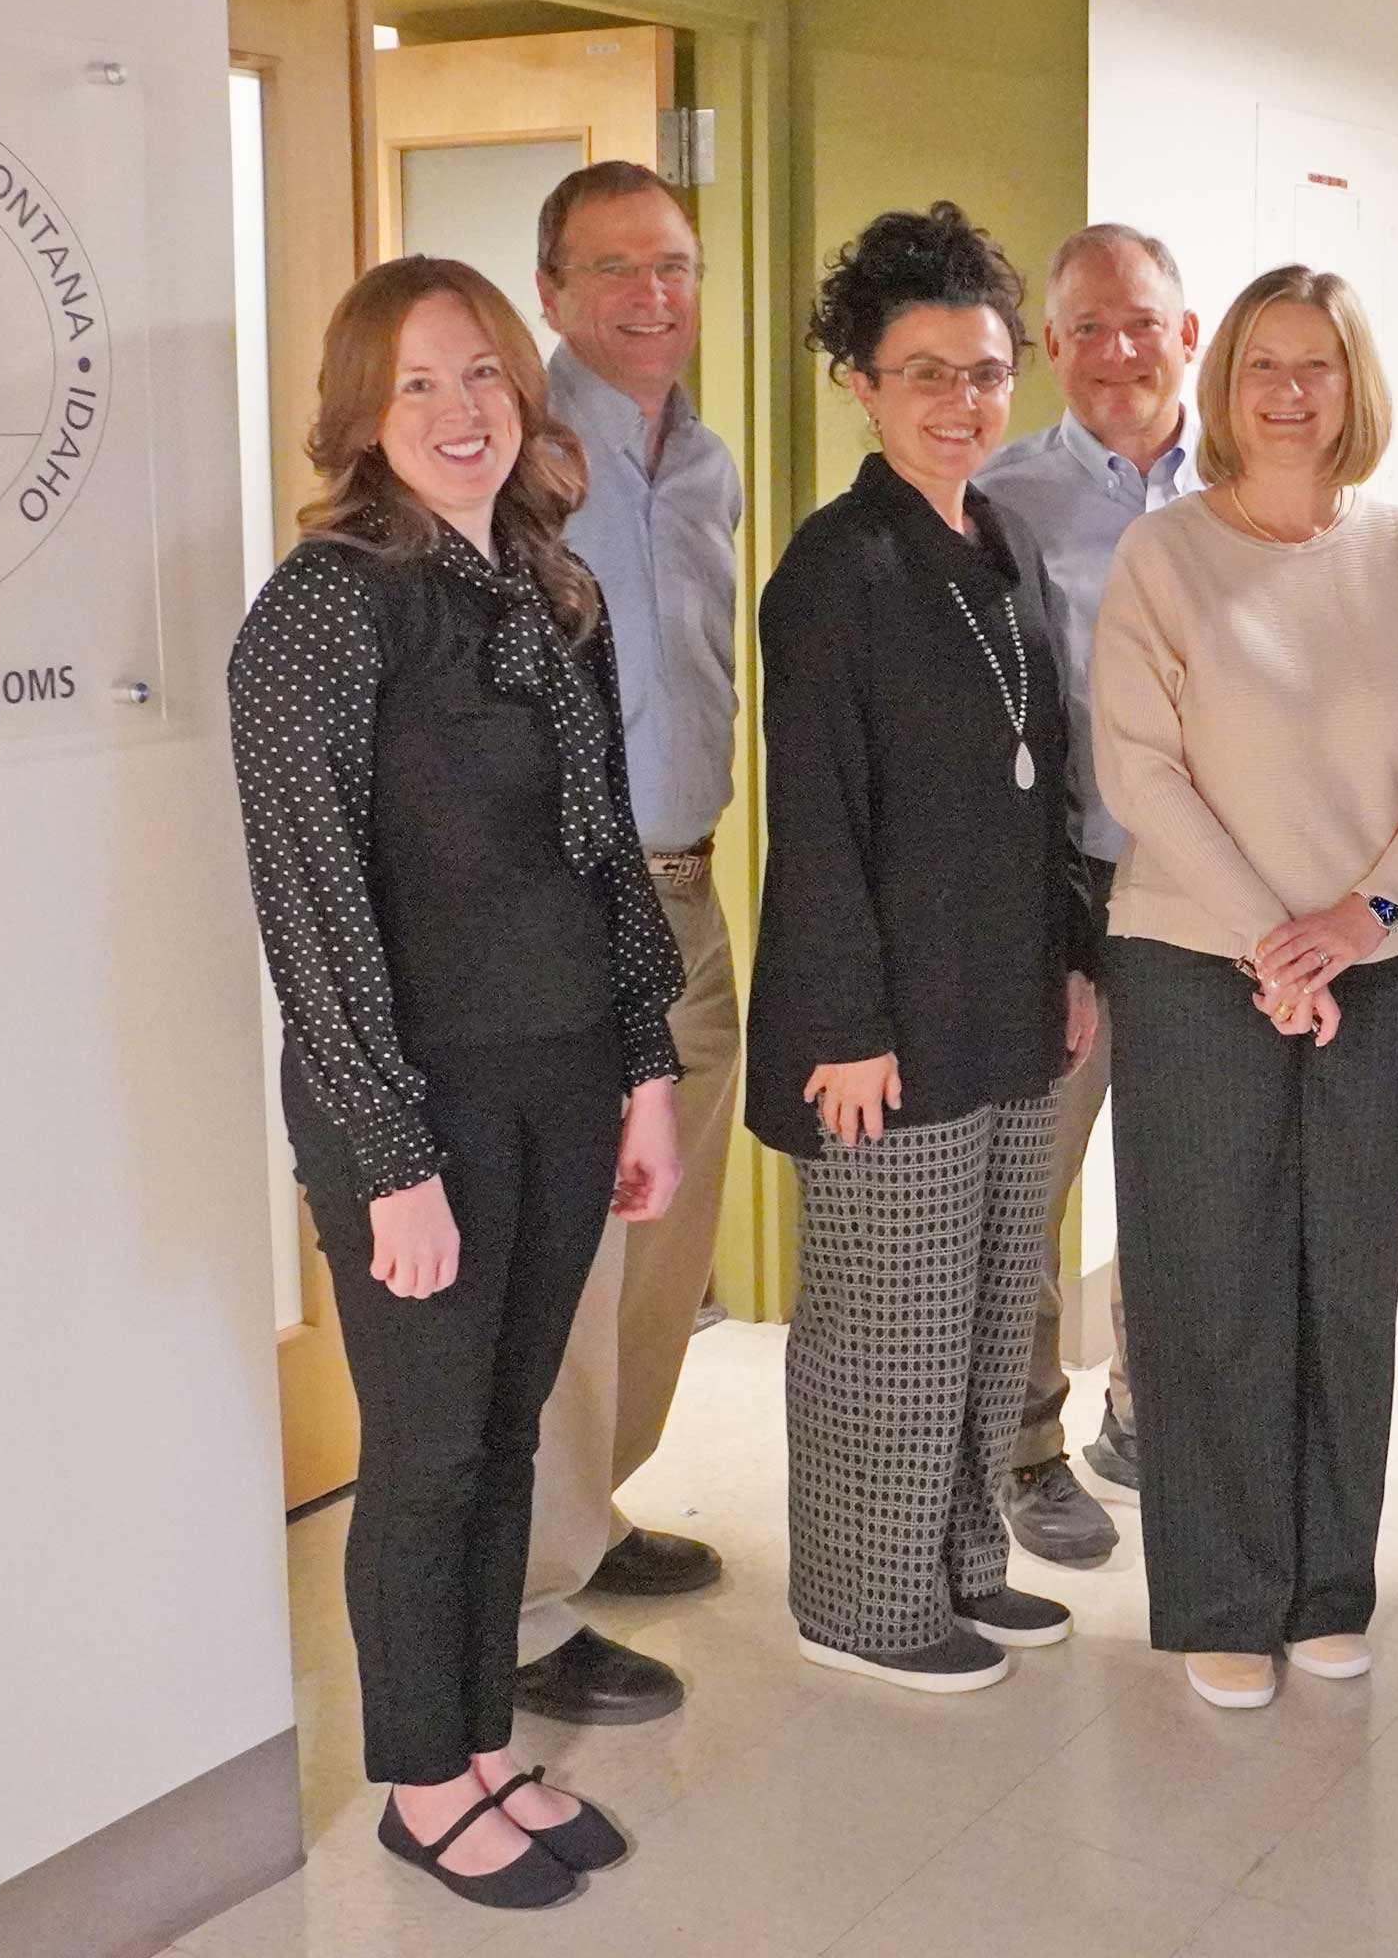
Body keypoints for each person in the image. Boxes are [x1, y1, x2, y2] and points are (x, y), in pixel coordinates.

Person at [229, 257, 684, 1909]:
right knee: (428, 1449)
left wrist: (645, 1065)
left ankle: (481, 1734)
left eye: (482, 373)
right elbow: (316, 909)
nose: (459, 410)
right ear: (361, 410)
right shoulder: (324, 608)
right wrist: (386, 1151)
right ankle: (422, 1777)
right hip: (414, 1110)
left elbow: (602, 852)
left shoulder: (552, 585)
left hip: (562, 1081)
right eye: (417, 382)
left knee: (506, 1426)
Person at [1096, 264, 1398, 1711]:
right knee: (1209, 1286)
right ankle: (1220, 1593)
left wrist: (1362, 914)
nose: (1287, 389)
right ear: (1226, 382)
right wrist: (1276, 935)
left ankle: (1329, 1583)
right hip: (1199, 967)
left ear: (1353, 386)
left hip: (1374, 970)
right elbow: (1139, 768)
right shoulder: (1166, 560)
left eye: (1317, 365)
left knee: (1345, 1282)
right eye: (1264, 361)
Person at [750, 202, 1093, 1694]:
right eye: (926, 372)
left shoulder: (1001, 540)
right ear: (862, 385)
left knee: (980, 1308)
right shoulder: (832, 574)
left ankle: (961, 1565)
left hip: (1010, 995)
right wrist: (840, 1025)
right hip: (881, 1015)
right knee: (885, 1330)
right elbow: (813, 825)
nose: (963, 402)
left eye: (986, 370)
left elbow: (1049, 773)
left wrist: (1073, 959)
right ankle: (861, 1601)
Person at [508, 159, 746, 1730]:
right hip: (570, 902)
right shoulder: (520, 459)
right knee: (570, 1256)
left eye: (670, 264)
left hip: (693, 893)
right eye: (612, 270)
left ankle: (594, 1515)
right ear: (551, 291)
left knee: (665, 1243)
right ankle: (526, 1601)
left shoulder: (707, 462)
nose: (649, 295)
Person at [971, 221, 1205, 1567]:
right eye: (1086, 329)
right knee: (1032, 1193)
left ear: (1189, 330)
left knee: (1187, 1183)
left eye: (1142, 322)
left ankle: (1150, 1418)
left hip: (1207, 907)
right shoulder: (1003, 498)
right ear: (1051, 347)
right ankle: (1026, 1448)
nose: (1117, 352)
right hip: (1067, 902)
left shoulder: (1243, 483)